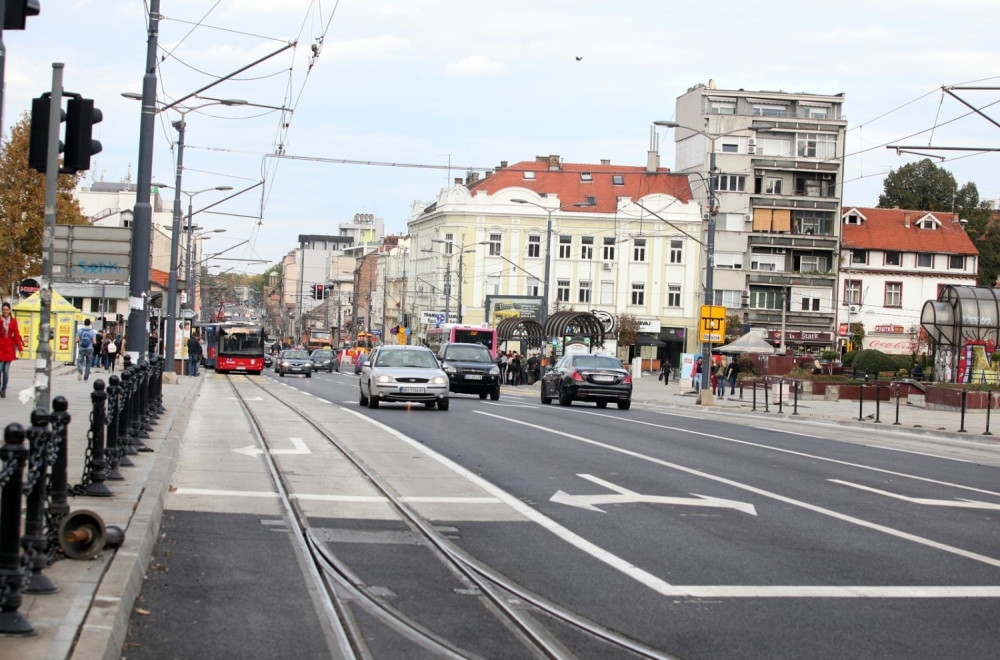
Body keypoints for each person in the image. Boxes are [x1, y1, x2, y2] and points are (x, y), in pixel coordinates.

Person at [0, 302, 24, 398]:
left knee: (6, 371)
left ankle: (3, 390)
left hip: (9, 348)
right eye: (3, 309)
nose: (5, 311)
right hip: (0, 347)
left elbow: (16, 335)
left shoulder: (13, 321)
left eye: (7, 309)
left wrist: (20, 349)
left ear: (9, 310)